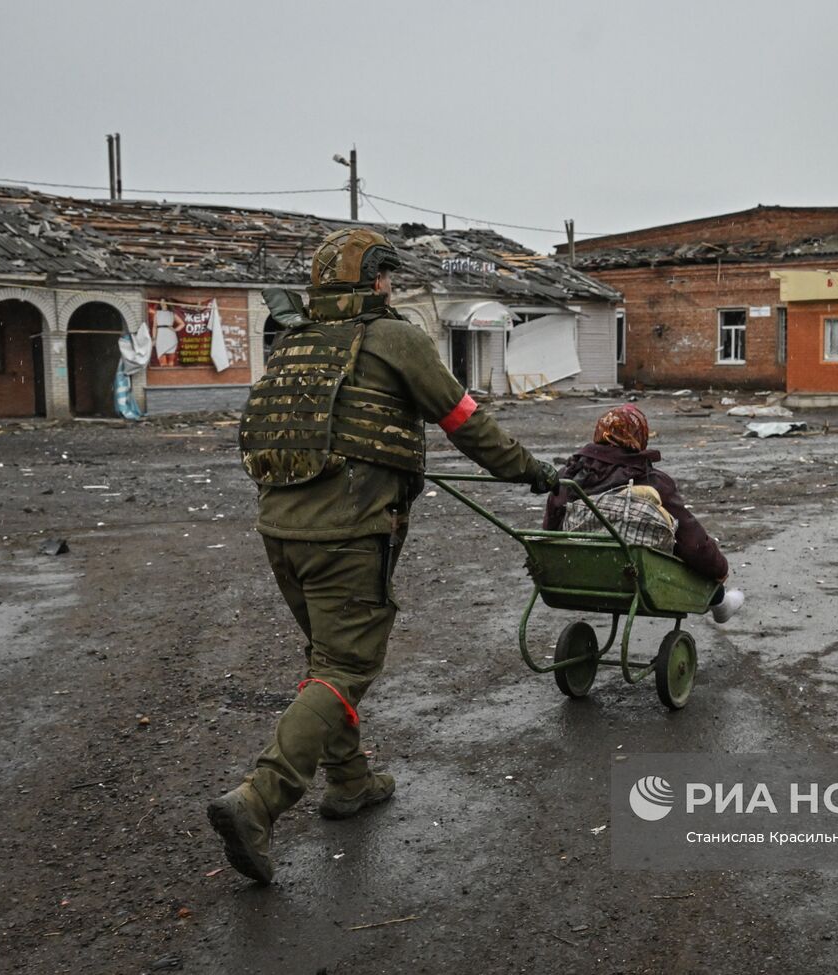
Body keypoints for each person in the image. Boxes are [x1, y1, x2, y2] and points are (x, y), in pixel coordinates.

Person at [208, 228, 558, 884]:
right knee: (345, 664)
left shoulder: (296, 341)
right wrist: (532, 471)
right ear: (374, 280)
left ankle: (350, 780)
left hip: (280, 530)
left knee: (326, 663)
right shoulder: (395, 337)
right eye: (387, 277)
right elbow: (465, 421)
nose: (392, 287)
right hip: (347, 530)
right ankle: (259, 799)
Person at [543, 404, 744, 622]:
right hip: (635, 578)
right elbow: (693, 542)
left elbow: (550, 530)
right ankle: (719, 600)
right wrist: (719, 568)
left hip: (577, 573)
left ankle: (720, 599)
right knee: (686, 546)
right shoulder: (652, 481)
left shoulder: (567, 476)